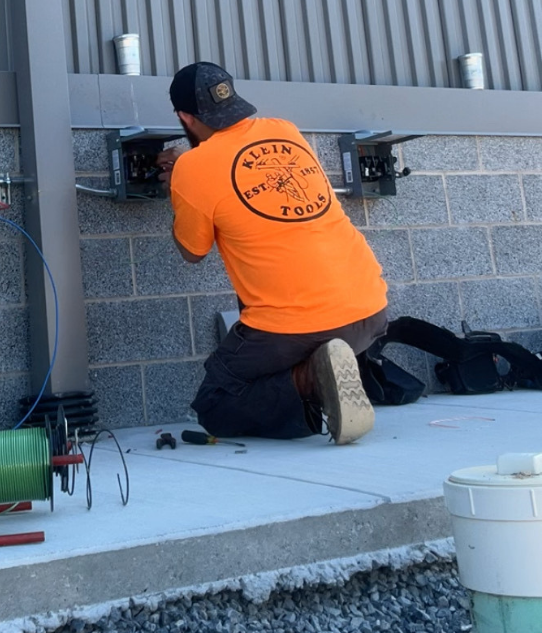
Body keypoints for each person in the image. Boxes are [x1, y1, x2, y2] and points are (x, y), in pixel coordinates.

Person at [163, 62, 387, 445]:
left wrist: (177, 184)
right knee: (280, 350)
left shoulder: (191, 167)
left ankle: (311, 378)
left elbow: (192, 252)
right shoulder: (285, 131)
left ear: (185, 116)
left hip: (292, 329)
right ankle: (331, 365)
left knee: (216, 403)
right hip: (370, 312)